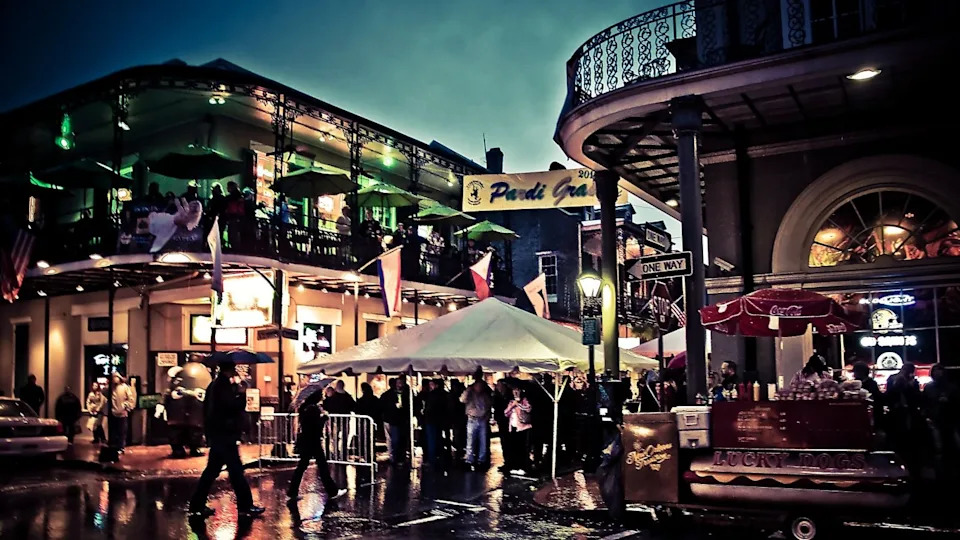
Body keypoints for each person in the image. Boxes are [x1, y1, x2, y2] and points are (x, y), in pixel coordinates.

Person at [190, 363, 265, 518]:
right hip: (225, 436)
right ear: (228, 370)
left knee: (213, 471)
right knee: (236, 472)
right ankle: (246, 506)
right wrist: (242, 394)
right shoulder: (221, 387)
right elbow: (230, 407)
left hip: (220, 435)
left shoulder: (215, 386)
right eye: (234, 368)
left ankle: (196, 505)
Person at [287, 390, 347, 502]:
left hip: (307, 440)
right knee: (321, 466)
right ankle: (332, 491)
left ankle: (292, 491)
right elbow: (316, 426)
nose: (323, 396)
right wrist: (324, 418)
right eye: (321, 394)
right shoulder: (313, 409)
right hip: (313, 441)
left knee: (302, 467)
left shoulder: (304, 407)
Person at [886, 362, 923, 473]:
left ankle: (910, 463)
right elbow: (889, 395)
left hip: (909, 412)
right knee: (899, 438)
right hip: (898, 412)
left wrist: (911, 386)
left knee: (908, 438)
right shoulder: (893, 379)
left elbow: (916, 398)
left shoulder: (913, 382)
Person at [460, 373, 492, 470]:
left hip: (482, 419)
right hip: (472, 419)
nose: (479, 388)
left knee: (483, 441)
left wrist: (487, 416)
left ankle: (481, 460)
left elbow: (489, 405)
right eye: (478, 386)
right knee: (470, 441)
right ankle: (470, 460)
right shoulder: (470, 394)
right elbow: (462, 399)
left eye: (481, 386)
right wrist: (468, 389)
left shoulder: (485, 395)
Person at [504, 386, 533, 476]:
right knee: (515, 448)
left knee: (523, 448)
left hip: (523, 427)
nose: (516, 392)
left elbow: (528, 409)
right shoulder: (511, 402)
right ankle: (515, 466)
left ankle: (524, 467)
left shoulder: (524, 400)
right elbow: (506, 413)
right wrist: (512, 405)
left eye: (517, 390)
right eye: (514, 391)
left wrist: (519, 404)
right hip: (514, 427)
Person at [380, 377, 410, 464]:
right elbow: (384, 405)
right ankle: (395, 457)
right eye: (398, 383)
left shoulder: (406, 393)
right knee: (395, 439)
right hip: (394, 420)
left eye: (401, 383)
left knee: (401, 439)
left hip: (402, 420)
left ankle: (400, 457)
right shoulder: (389, 395)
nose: (400, 384)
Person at [421, 379, 448, 465]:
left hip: (430, 420)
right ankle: (440, 457)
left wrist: (424, 412)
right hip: (440, 420)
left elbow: (429, 409)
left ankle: (432, 459)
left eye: (431, 384)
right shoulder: (444, 394)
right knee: (438, 438)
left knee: (431, 440)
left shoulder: (431, 395)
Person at [109, 373, 136, 451]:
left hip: (122, 413)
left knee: (122, 431)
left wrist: (125, 406)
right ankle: (115, 446)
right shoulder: (112, 388)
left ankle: (121, 447)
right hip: (114, 412)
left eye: (116, 377)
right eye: (113, 377)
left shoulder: (125, 387)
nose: (114, 379)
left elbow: (131, 399)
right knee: (116, 431)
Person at [852, 362, 883, 427]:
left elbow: (877, 401)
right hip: (857, 415)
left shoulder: (871, 384)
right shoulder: (853, 383)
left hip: (870, 415)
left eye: (855, 372)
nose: (854, 374)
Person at [492, 380, 513, 471]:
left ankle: (509, 462)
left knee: (508, 441)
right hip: (501, 420)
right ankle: (507, 461)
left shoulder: (507, 396)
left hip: (508, 420)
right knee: (504, 442)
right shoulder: (497, 396)